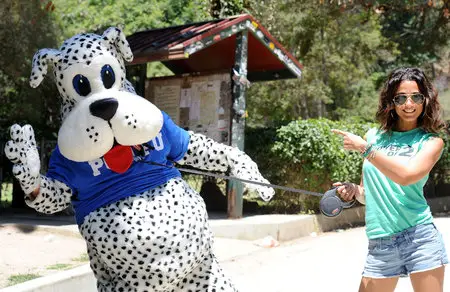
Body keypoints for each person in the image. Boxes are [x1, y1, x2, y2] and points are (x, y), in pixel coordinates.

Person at [332, 67, 448, 292]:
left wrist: (365, 149)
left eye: (416, 97)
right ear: (391, 101)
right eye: (401, 98)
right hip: (380, 241)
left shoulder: (432, 142)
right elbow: (367, 194)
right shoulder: (373, 136)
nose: (408, 104)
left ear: (425, 100)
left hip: (419, 238)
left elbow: (406, 176)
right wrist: (353, 190)